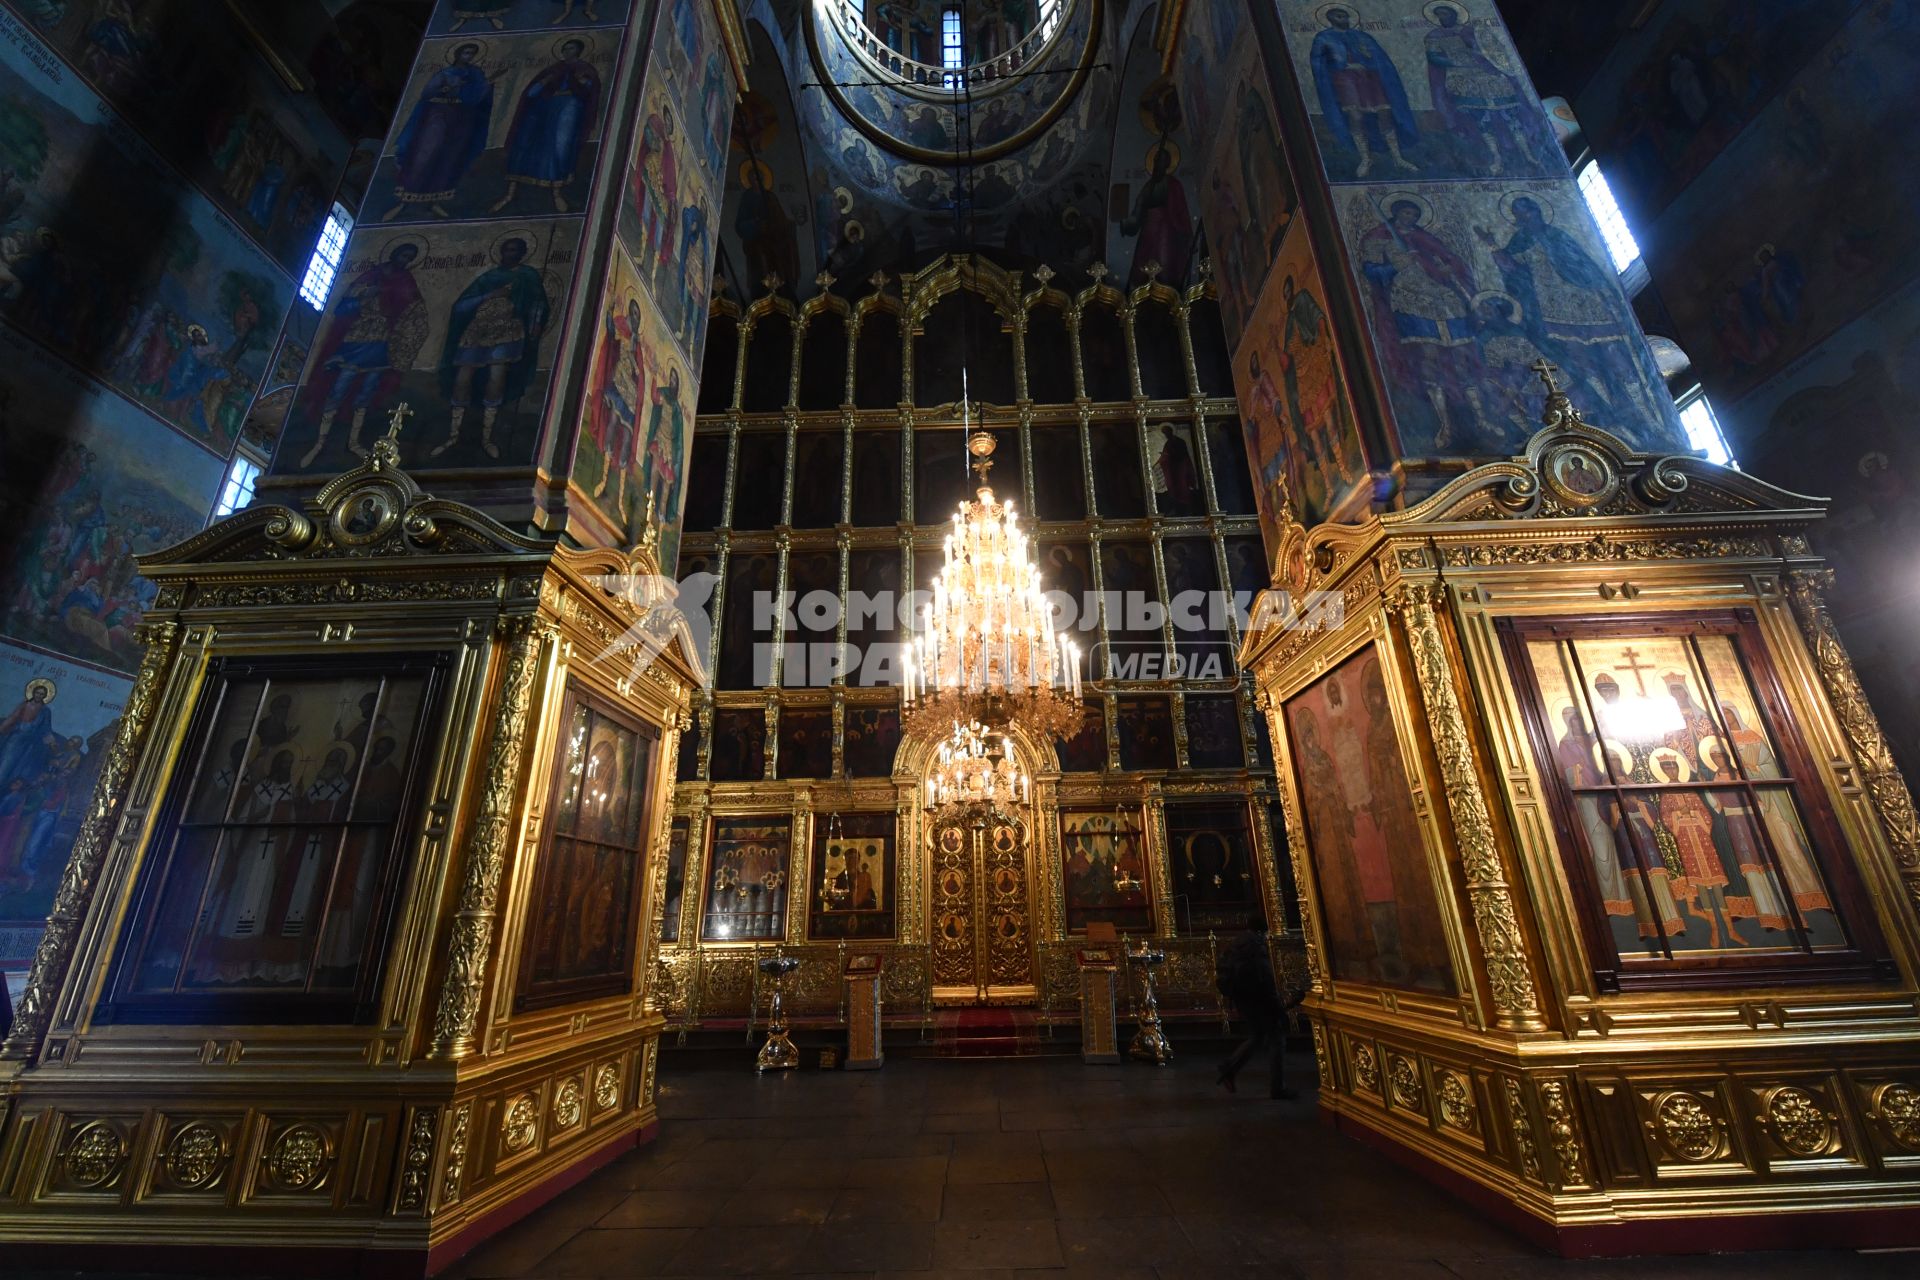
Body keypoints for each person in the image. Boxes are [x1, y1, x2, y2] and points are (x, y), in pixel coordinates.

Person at [1214, 913, 1300, 1099]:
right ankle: (1278, 1088)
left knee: (1258, 1036)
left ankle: (1230, 1067)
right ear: (1263, 931)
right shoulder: (1256, 946)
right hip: (1259, 999)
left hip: (1242, 998)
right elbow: (1265, 979)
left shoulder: (1237, 943)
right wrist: (1276, 1005)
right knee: (1276, 1039)